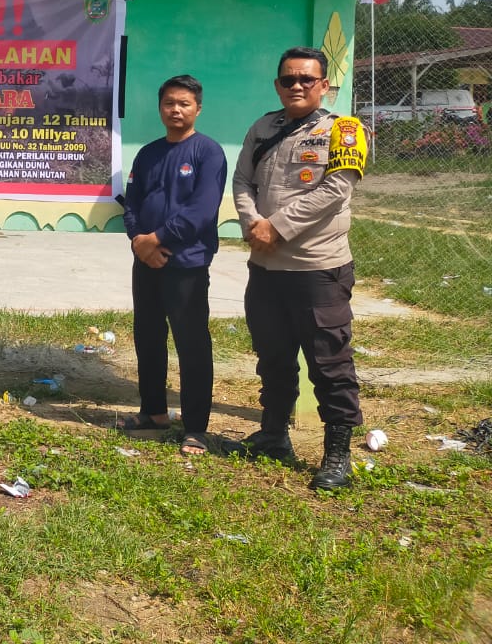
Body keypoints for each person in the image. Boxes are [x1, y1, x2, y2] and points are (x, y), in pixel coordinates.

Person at [232, 46, 369, 490]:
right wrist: (253, 222)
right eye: (288, 79)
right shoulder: (262, 126)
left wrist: (279, 227)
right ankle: (274, 435)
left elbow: (336, 188)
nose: (296, 86)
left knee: (329, 363)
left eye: (306, 79)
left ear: (323, 85)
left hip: (317, 268)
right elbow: (242, 181)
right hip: (266, 267)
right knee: (272, 357)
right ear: (277, 85)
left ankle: (337, 455)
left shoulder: (345, 130)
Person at [121, 75, 226, 457]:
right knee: (148, 337)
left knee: (191, 343)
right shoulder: (148, 153)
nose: (175, 110)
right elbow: (131, 204)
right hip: (145, 260)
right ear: (160, 107)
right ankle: (154, 413)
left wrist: (158, 240)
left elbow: (202, 210)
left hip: (186, 262)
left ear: (197, 108)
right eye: (169, 103)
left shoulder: (208, 152)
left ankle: (196, 427)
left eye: (183, 103)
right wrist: (138, 241)